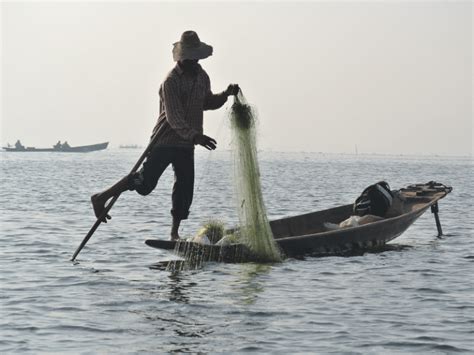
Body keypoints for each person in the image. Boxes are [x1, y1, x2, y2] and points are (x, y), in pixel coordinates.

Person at [91, 30, 239, 240]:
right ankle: (101, 197)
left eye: (196, 57)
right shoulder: (170, 81)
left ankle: (174, 234)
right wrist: (196, 136)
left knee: (185, 188)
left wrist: (225, 95)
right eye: (190, 58)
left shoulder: (202, 77)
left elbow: (206, 102)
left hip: (186, 145)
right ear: (182, 57)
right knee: (144, 184)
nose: (193, 61)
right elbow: (174, 118)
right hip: (165, 141)